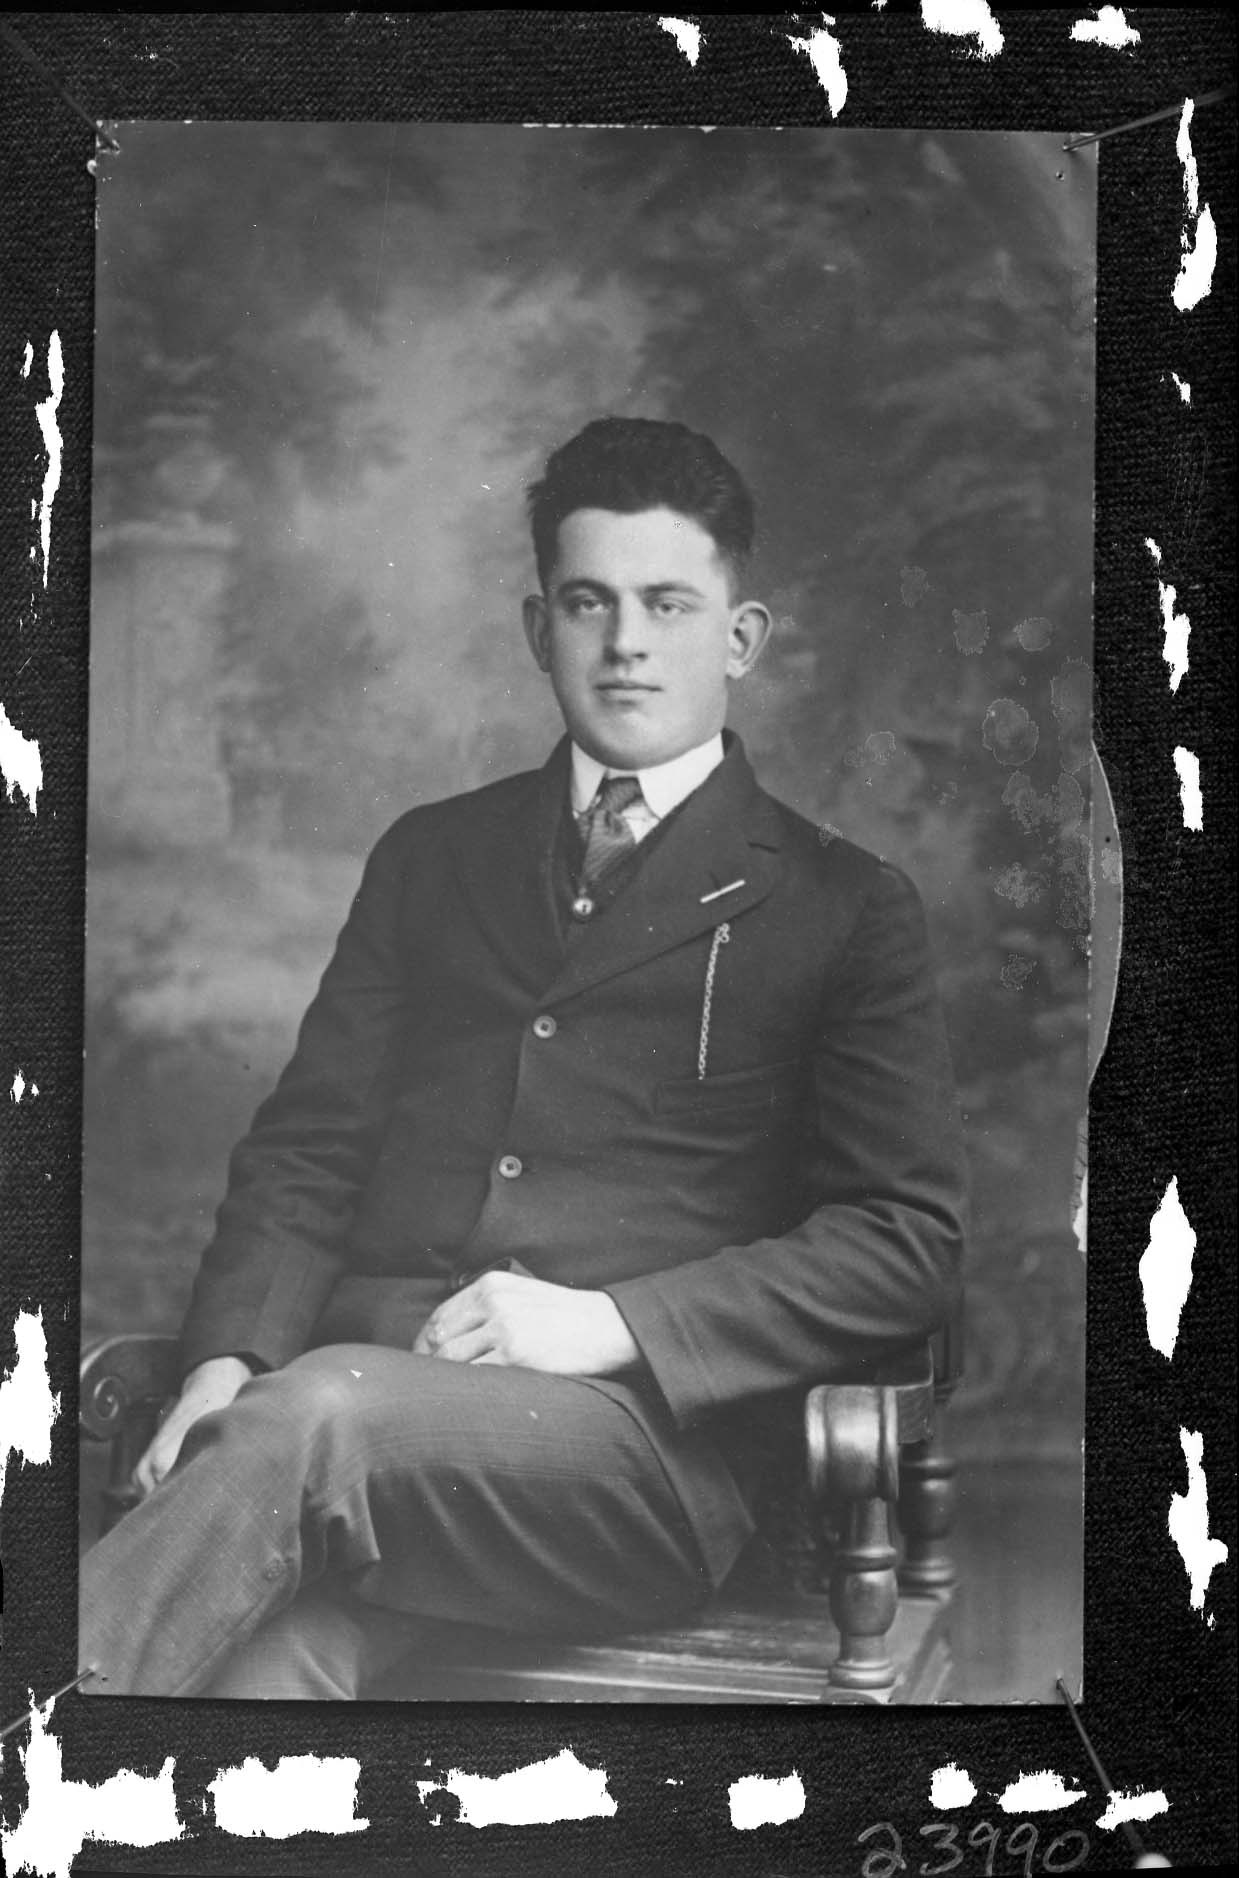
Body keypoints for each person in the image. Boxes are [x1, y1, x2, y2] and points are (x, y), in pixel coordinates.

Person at [79, 416, 967, 1699]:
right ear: (538, 628)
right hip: (351, 1433)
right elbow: (310, 1150)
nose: (625, 642)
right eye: (589, 602)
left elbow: (906, 1240)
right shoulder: (432, 856)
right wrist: (227, 1364)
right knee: (263, 1681)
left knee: (319, 1421)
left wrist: (611, 1322)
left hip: (628, 1461)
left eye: (667, 604)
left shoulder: (843, 904)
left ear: (740, 638)